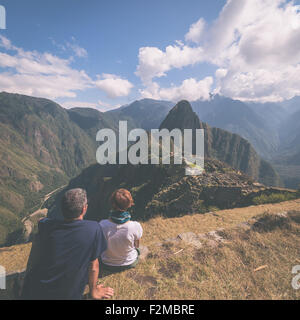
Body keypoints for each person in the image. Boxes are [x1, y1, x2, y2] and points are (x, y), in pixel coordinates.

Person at [22, 188, 114, 300]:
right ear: (84, 208)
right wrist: (94, 292)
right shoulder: (93, 228)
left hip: (35, 291)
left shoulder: (47, 226)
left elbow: (41, 221)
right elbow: (94, 266)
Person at [99, 189, 143, 272]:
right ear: (129, 204)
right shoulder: (135, 226)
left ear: (112, 203)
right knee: (138, 250)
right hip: (129, 262)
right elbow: (137, 245)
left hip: (107, 264)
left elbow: (100, 246)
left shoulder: (102, 225)